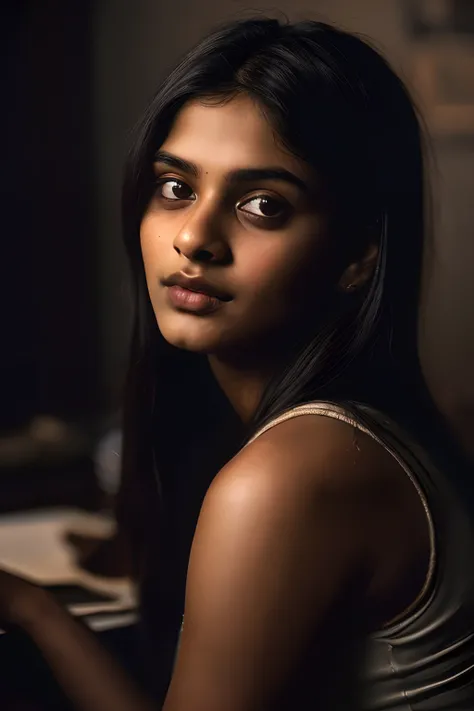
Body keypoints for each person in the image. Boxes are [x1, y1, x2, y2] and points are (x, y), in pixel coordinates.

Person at [1, 15, 474, 711]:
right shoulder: (347, 433)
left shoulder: (295, 473)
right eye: (176, 188)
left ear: (358, 257)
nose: (194, 237)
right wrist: (34, 607)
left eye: (262, 205)